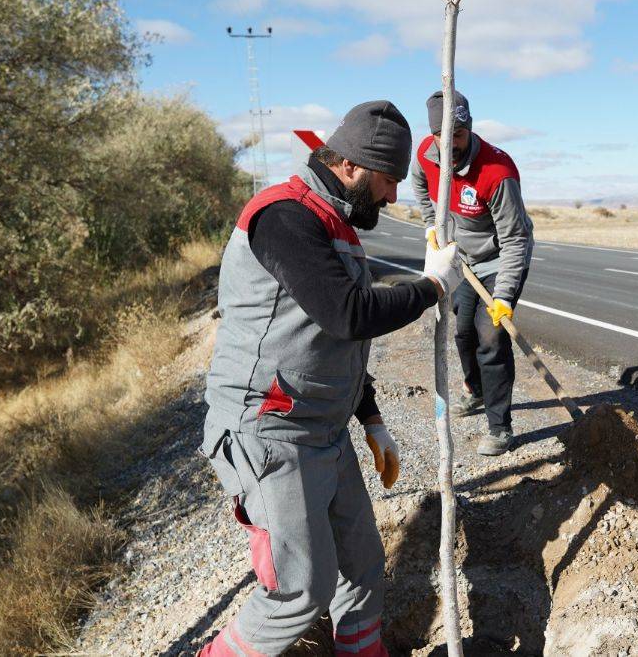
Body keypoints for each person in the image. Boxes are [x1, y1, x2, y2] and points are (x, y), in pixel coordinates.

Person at [197, 100, 462, 656]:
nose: (392, 197)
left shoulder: (337, 224)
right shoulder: (283, 216)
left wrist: (370, 417)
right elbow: (349, 313)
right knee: (301, 590)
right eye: (388, 181)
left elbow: (337, 341)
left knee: (362, 572)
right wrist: (432, 287)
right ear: (351, 167)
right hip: (269, 430)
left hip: (325, 430)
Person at [411, 91, 534, 456]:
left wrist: (504, 297)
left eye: (459, 135)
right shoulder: (424, 155)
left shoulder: (497, 172)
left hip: (500, 260)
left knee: (490, 336)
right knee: (463, 331)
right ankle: (475, 389)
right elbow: (419, 184)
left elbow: (515, 240)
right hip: (461, 260)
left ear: (469, 128)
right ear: (433, 135)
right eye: (443, 137)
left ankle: (500, 427)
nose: (451, 146)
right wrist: (431, 224)